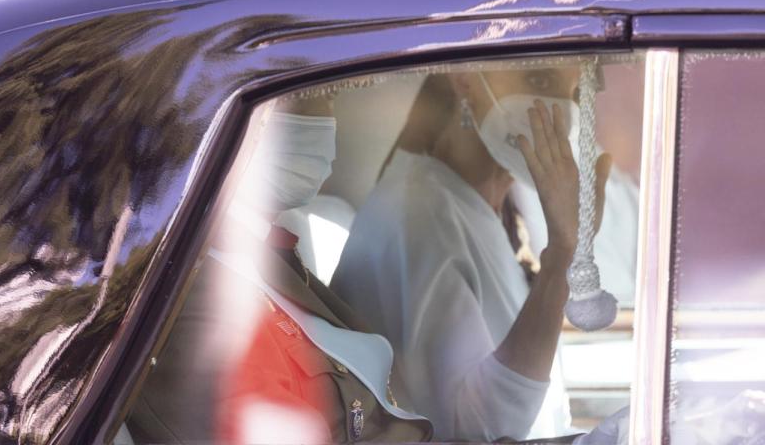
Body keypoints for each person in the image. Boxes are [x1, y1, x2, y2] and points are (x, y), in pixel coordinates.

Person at [128, 94, 433, 443]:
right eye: (301, 100)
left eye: (331, 99)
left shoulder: (261, 255)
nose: (327, 117)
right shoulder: (199, 302)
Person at [332, 65, 613, 442]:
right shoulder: (416, 213)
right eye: (540, 80)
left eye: (575, 91)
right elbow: (477, 433)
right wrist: (564, 254)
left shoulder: (494, 212)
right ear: (465, 80)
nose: (561, 111)